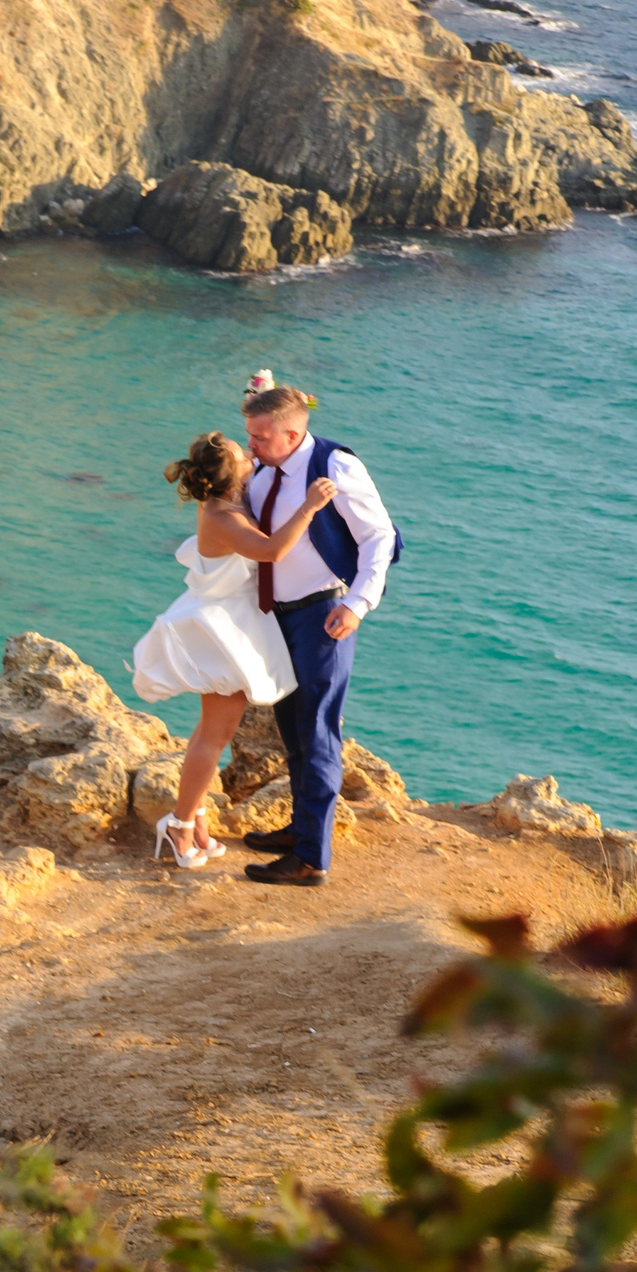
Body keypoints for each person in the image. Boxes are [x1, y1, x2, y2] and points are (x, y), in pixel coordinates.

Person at [128, 430, 337, 869]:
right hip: (223, 631)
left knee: (211, 734)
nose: (251, 455)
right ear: (231, 476)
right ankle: (180, 824)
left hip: (227, 620)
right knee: (214, 735)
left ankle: (195, 818)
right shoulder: (225, 517)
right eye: (245, 455)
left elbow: (261, 460)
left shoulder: (223, 501)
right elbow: (272, 550)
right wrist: (310, 505)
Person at [235, 371, 398, 888]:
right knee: (293, 734)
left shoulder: (335, 467)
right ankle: (302, 830)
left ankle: (311, 859)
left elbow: (380, 538)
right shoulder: (266, 462)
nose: (251, 444)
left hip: (322, 615)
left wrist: (357, 605)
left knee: (319, 733)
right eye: (251, 435)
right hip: (274, 616)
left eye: (260, 436)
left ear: (291, 434)